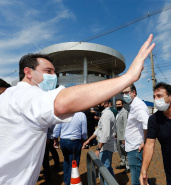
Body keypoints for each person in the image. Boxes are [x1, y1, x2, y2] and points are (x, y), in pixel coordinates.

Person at [0, 34, 155, 185]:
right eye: (48, 71)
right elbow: (62, 102)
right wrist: (127, 77)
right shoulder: (25, 96)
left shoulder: (9, 96)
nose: (54, 76)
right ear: (28, 72)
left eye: (55, 72)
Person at [82, 100, 116, 185]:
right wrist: (88, 140)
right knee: (108, 169)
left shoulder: (106, 115)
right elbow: (98, 130)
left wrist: (98, 148)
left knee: (103, 171)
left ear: (106, 104)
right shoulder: (104, 114)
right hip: (105, 146)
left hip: (105, 147)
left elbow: (105, 134)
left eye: (100, 103)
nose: (98, 104)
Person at [123, 84, 150, 185]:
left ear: (133, 92)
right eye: (123, 93)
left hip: (136, 148)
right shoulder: (134, 104)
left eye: (126, 93)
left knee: (136, 180)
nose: (124, 95)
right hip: (133, 146)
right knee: (142, 177)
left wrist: (145, 141)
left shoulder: (137, 105)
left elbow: (147, 124)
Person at [53, 112, 87, 185]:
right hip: (74, 141)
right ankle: (69, 182)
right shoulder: (81, 115)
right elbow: (84, 131)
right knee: (73, 163)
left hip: (63, 140)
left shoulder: (64, 113)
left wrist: (55, 139)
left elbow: (57, 128)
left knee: (66, 161)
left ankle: (66, 180)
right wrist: (83, 139)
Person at [115, 99, 130, 173]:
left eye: (119, 104)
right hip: (118, 136)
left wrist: (124, 138)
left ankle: (128, 166)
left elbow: (125, 126)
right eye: (117, 104)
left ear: (122, 105)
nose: (117, 106)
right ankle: (123, 163)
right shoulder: (118, 112)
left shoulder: (124, 112)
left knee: (125, 151)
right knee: (120, 150)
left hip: (122, 136)